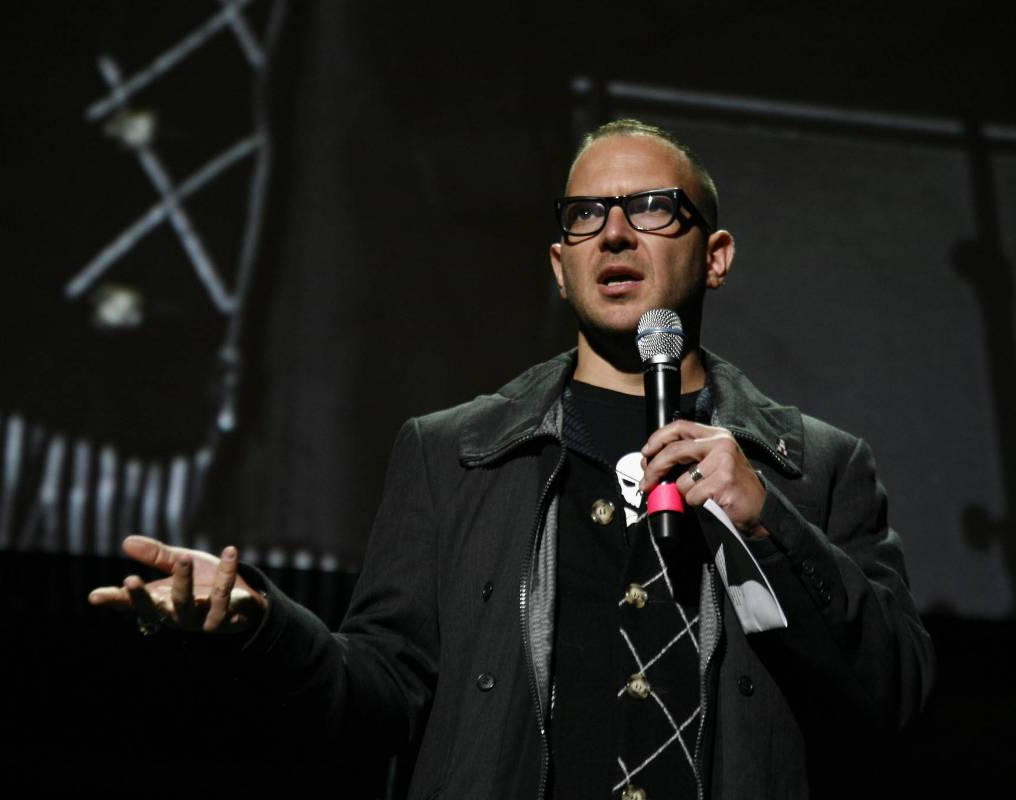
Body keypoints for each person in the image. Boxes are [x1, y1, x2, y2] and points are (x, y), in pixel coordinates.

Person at [90, 119, 936, 799]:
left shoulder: (813, 467)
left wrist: (769, 523)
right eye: (585, 216)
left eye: (651, 209)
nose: (614, 233)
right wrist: (263, 625)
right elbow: (381, 693)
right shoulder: (452, 454)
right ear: (560, 267)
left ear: (714, 257)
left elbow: (897, 695)